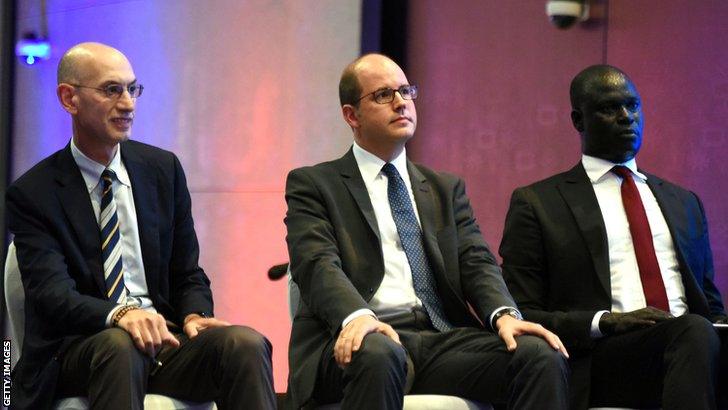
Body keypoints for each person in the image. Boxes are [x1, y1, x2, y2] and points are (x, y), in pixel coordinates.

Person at [284, 53, 570, 410]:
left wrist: (504, 315)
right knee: (377, 351)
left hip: (439, 340)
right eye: (384, 95)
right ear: (351, 115)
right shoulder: (314, 184)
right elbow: (316, 263)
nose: (401, 102)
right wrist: (357, 317)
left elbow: (476, 261)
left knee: (537, 355)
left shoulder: (444, 188)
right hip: (357, 339)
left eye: (406, 91)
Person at [5, 42, 276, 410]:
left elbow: (188, 272)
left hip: (161, 340)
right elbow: (53, 297)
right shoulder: (33, 194)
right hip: (79, 351)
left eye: (132, 88)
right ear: (69, 99)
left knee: (244, 345)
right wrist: (120, 315)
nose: (128, 103)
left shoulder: (162, 170)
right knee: (120, 346)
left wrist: (196, 313)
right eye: (111, 90)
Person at [499, 64, 727, 409]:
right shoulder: (538, 203)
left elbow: (710, 305)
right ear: (579, 121)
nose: (626, 117)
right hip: (603, 359)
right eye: (609, 109)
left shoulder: (684, 202)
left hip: (691, 349)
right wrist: (606, 322)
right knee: (693, 331)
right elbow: (523, 312)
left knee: (697, 331)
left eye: (632, 106)